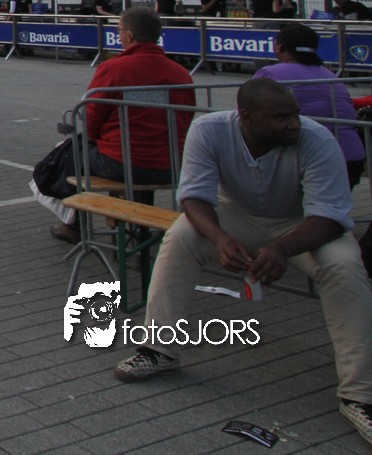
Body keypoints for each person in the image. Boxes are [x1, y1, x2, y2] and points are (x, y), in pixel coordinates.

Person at [112, 79, 372, 449]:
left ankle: (359, 394)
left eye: (295, 114)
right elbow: (194, 197)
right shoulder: (210, 129)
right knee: (180, 238)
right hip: (237, 215)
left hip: (301, 224)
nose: (294, 124)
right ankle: (159, 350)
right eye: (281, 117)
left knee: (344, 266)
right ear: (246, 117)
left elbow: (329, 217)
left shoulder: (317, 139)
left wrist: (281, 249)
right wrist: (220, 239)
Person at [44, 5, 196, 243]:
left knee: (67, 153)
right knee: (110, 154)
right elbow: (186, 117)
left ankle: (75, 226)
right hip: (173, 164)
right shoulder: (181, 73)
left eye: (118, 30)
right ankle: (137, 227)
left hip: (123, 162)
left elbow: (92, 117)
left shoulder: (114, 68)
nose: (118, 35)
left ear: (129, 36)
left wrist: (94, 139)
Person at [255, 23, 363, 184]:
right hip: (352, 156)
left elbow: (245, 113)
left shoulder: (270, 73)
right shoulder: (331, 75)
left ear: (279, 46)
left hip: (311, 158)